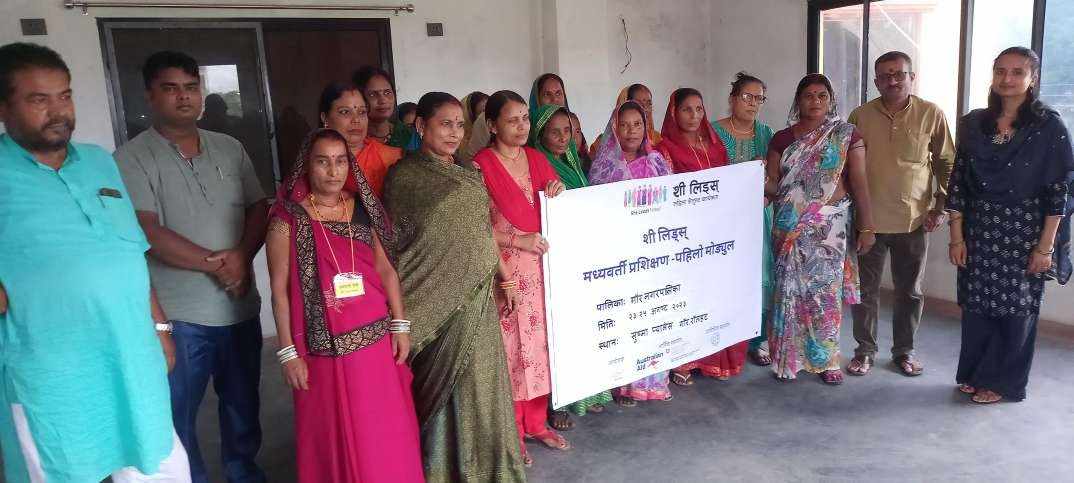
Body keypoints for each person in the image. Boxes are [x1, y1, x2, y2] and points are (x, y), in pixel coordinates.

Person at [0, 42, 190, 483]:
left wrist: (160, 327)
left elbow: (129, 251)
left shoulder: (99, 162)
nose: (58, 111)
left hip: (132, 360)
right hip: (51, 376)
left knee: (159, 466)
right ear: (4, 107)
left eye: (64, 96)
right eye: (39, 99)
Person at [114, 50, 268, 483]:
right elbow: (146, 230)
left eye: (190, 87)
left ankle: (243, 474)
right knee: (178, 416)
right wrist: (219, 265)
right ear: (150, 95)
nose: (183, 97)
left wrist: (242, 256)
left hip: (239, 309)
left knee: (243, 408)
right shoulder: (131, 158)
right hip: (181, 318)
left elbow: (259, 207)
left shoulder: (230, 147)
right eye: (170, 88)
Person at [265, 128, 424, 482]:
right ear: (307, 166)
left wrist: (400, 326)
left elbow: (386, 269)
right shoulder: (287, 221)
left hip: (376, 342)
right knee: (335, 432)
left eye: (340, 161)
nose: (333, 171)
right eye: (323, 162)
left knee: (383, 427)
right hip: (324, 352)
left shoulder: (363, 208)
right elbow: (279, 292)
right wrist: (288, 354)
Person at [383, 92, 527, 482]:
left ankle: (492, 469)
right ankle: (442, 471)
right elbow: (397, 246)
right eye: (444, 124)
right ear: (421, 125)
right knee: (446, 395)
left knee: (483, 388)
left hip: (478, 298)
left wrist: (504, 277)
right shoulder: (404, 177)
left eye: (459, 125)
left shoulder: (468, 171)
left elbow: (483, 231)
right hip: (432, 301)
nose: (453, 133)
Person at [947, 47, 1073, 404]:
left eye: (1018, 72)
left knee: (1015, 310)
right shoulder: (974, 124)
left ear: (1032, 79)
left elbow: (1059, 191)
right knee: (977, 305)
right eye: (1001, 71)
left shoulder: (1048, 127)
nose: (1007, 79)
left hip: (1024, 233)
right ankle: (974, 373)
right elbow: (958, 183)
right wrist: (956, 237)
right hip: (979, 230)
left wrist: (1045, 247)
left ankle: (1003, 383)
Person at [846, 52, 956, 377]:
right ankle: (864, 351)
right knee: (864, 291)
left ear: (912, 77)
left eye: (899, 74)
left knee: (910, 291)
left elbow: (947, 163)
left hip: (914, 220)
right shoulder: (860, 116)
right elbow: (845, 166)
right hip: (868, 222)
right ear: (876, 81)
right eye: (884, 76)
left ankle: (904, 352)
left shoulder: (931, 114)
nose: (892, 81)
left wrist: (940, 206)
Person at [474, 90, 569, 463]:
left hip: (542, 269)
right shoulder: (480, 166)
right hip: (506, 270)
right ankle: (512, 432)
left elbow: (553, 208)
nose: (521, 126)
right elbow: (474, 227)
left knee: (541, 347)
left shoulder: (536, 159)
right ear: (492, 125)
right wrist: (518, 241)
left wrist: (558, 191)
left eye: (525, 118)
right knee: (511, 349)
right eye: (512, 120)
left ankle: (536, 423)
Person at [764, 73, 876, 385]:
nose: (815, 101)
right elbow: (773, 185)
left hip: (830, 227)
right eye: (808, 96)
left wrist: (868, 226)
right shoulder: (782, 139)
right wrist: (755, 178)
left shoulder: (845, 135)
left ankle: (827, 360)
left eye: (822, 96)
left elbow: (859, 182)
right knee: (789, 293)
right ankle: (789, 359)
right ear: (798, 101)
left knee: (824, 295)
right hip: (790, 228)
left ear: (830, 101)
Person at [589, 99, 672, 404]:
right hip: (620, 256)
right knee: (626, 318)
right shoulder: (603, 167)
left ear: (645, 127)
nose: (631, 131)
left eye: (637, 124)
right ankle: (622, 385)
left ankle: (651, 382)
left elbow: (672, 205)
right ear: (614, 128)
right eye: (624, 125)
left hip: (654, 252)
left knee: (653, 316)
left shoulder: (658, 163)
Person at [655, 87, 736, 386]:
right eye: (686, 109)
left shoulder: (715, 146)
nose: (694, 115)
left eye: (699, 109)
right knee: (685, 297)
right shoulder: (664, 149)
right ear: (673, 112)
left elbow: (727, 182)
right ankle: (683, 360)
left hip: (714, 233)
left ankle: (711, 356)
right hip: (683, 235)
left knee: (711, 295)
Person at [712, 72, 777, 367]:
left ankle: (757, 340)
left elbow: (774, 178)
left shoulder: (766, 134)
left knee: (759, 275)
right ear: (733, 99)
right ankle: (727, 338)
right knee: (727, 276)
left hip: (758, 217)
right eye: (747, 97)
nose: (753, 103)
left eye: (759, 98)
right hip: (724, 218)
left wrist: (766, 195)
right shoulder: (713, 132)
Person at [317, 81, 403, 198]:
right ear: (325, 118)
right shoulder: (312, 161)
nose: (356, 120)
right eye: (345, 112)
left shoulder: (393, 158)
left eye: (362, 112)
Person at [353, 65, 419, 151]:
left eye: (387, 93)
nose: (383, 100)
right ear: (359, 98)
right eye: (372, 94)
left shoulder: (410, 136)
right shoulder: (353, 139)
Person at [589, 84, 661, 158]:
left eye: (649, 104)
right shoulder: (602, 143)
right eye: (639, 103)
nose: (645, 108)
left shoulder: (657, 139)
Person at [530, 104, 588, 189]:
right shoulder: (536, 169)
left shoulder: (571, 162)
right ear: (539, 135)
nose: (563, 138)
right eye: (555, 133)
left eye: (567, 130)